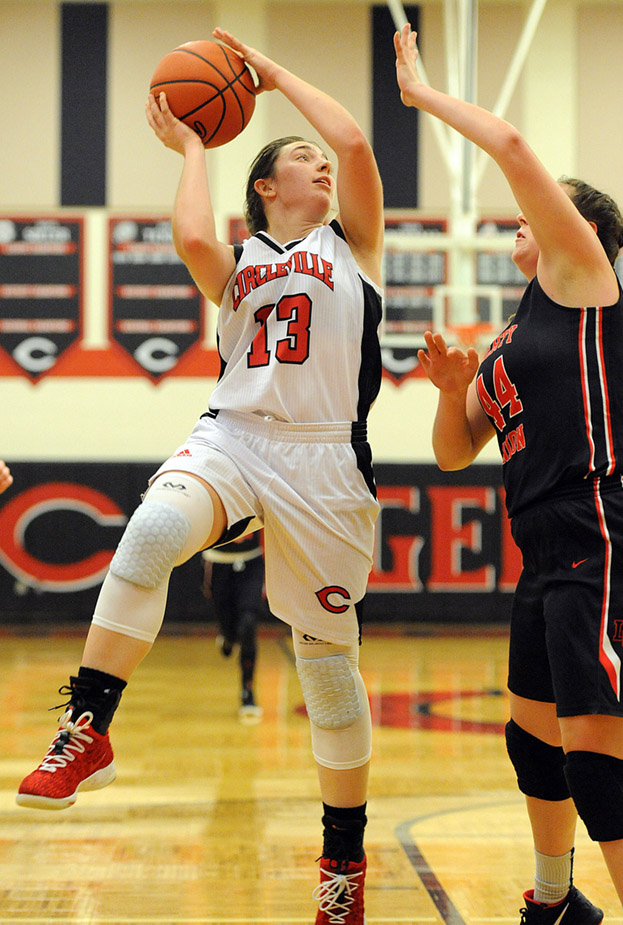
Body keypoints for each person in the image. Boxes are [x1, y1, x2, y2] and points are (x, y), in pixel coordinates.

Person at [17, 26, 384, 925]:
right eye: (299, 158)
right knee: (148, 531)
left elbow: (353, 141)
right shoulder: (240, 264)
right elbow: (190, 234)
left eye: (319, 158)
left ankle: (342, 863)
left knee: (327, 670)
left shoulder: (354, 247)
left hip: (327, 459)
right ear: (265, 187)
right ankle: (87, 729)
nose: (320, 162)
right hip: (234, 437)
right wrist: (190, 146)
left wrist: (274, 73)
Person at [394, 23, 623, 925]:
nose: (521, 219)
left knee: (595, 766)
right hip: (545, 544)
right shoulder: (517, 331)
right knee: (532, 743)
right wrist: (451, 391)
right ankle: (556, 903)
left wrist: (423, 96)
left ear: (576, 227)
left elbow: (512, 147)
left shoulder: (582, 277)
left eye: (536, 212)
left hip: (606, 527)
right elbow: (453, 451)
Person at [201, 531, 266, 722]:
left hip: (251, 560)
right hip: (218, 561)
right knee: (229, 626)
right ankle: (228, 637)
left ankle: (247, 691)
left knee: (248, 623)